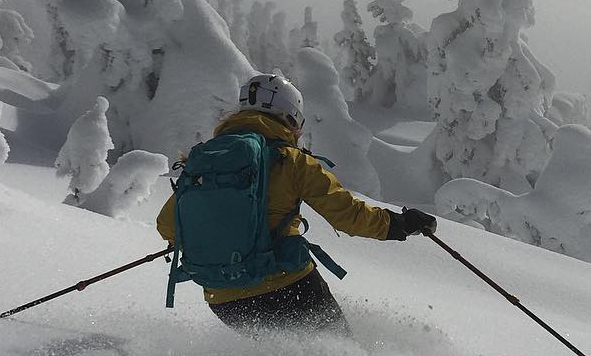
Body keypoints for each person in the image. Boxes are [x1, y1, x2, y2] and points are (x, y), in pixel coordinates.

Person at [156, 72, 436, 335]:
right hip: (288, 285)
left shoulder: (205, 162)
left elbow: (167, 224)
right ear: (290, 117)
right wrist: (399, 224)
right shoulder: (293, 161)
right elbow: (348, 216)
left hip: (223, 297)